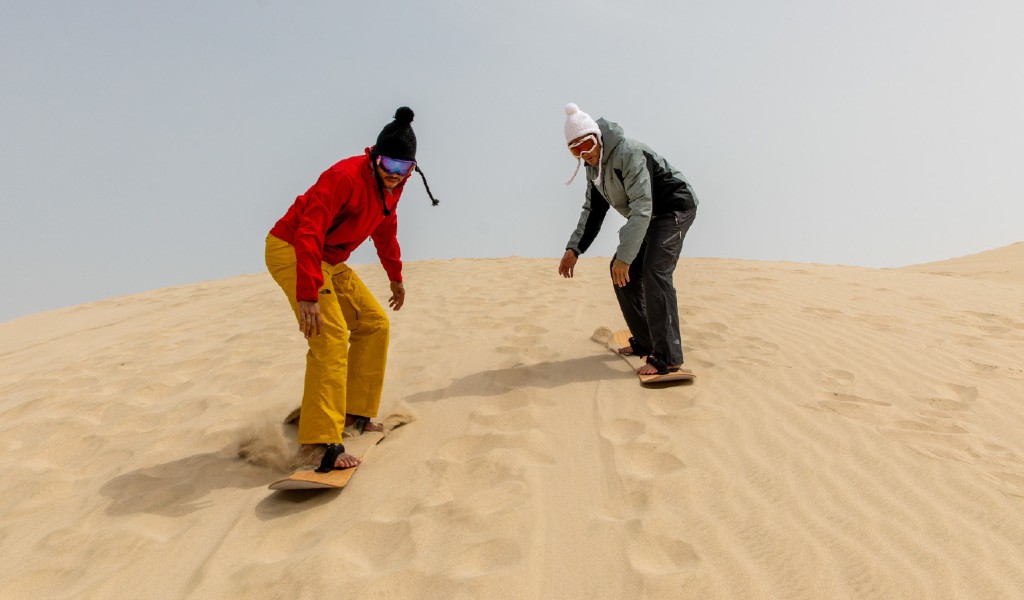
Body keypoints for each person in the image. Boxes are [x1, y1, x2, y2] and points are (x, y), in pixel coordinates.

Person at [265, 106, 440, 471]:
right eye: (389, 166)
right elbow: (309, 231)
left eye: (404, 169)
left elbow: (385, 230)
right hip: (293, 247)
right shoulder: (343, 177)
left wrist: (395, 275)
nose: (395, 176)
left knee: (374, 324)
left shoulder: (394, 187)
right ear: (374, 156)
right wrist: (308, 293)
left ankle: (353, 414)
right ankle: (316, 443)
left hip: (329, 258)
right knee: (328, 337)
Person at [558, 103, 698, 376]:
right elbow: (593, 211)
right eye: (575, 150)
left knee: (655, 271)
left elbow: (643, 206)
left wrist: (625, 256)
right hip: (647, 216)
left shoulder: (628, 154)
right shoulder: (593, 168)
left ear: (597, 138)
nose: (584, 154)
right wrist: (574, 248)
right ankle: (646, 342)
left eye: (586, 145)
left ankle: (668, 356)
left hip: (673, 209)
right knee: (623, 274)